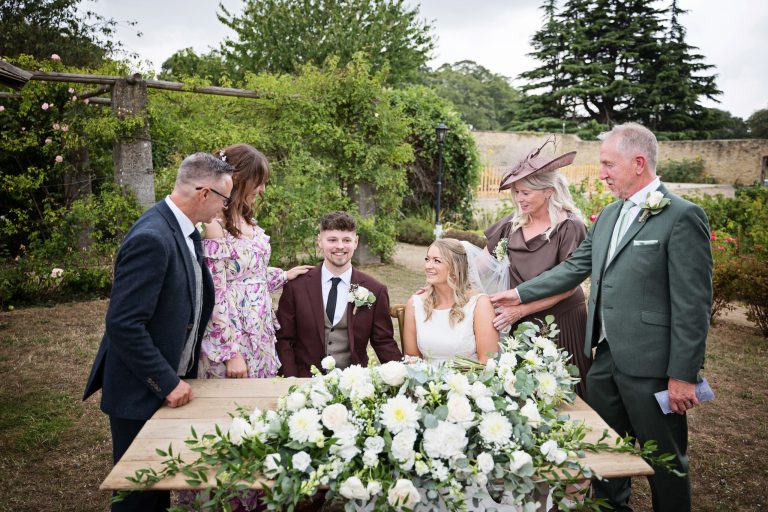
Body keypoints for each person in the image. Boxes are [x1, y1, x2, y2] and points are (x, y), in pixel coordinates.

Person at [490, 122, 713, 512]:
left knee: (666, 462)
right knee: (606, 456)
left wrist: (683, 375)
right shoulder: (608, 215)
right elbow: (574, 267)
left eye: (609, 164)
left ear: (638, 162)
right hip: (605, 360)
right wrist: (519, 293)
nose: (602, 173)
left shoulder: (681, 216)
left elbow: (693, 305)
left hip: (654, 367)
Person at [82, 153, 234, 512]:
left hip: (167, 383)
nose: (223, 209)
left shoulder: (182, 230)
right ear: (203, 193)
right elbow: (123, 323)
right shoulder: (152, 237)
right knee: (140, 497)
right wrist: (166, 381)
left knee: (157, 491)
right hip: (140, 390)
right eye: (224, 200)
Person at [484, 139, 591, 397]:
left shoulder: (570, 227)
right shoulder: (512, 223)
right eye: (516, 192)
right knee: (521, 391)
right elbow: (481, 264)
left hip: (561, 320)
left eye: (526, 192)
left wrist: (520, 310)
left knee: (562, 393)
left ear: (548, 192)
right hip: (516, 317)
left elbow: (568, 285)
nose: (519, 199)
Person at [198, 144, 312, 380]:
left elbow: (248, 273)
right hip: (233, 335)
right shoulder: (214, 225)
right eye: (258, 182)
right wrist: (231, 353)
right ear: (238, 179)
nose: (262, 190)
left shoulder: (247, 219)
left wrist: (283, 275)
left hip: (259, 331)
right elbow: (215, 292)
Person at [275, 211, 402, 376]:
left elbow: (383, 342)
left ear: (356, 242)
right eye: (332, 240)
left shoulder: (375, 290)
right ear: (319, 241)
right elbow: (284, 339)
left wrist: (405, 375)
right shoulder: (296, 286)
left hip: (352, 384)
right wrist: (291, 380)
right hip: (303, 382)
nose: (340, 246)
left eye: (347, 240)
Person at [402, 238, 499, 364]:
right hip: (426, 381)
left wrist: (453, 382)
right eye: (427, 259)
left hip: (469, 381)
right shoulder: (416, 304)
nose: (428, 266)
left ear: (455, 267)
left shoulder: (479, 304)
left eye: (437, 261)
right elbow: (412, 359)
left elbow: (487, 362)